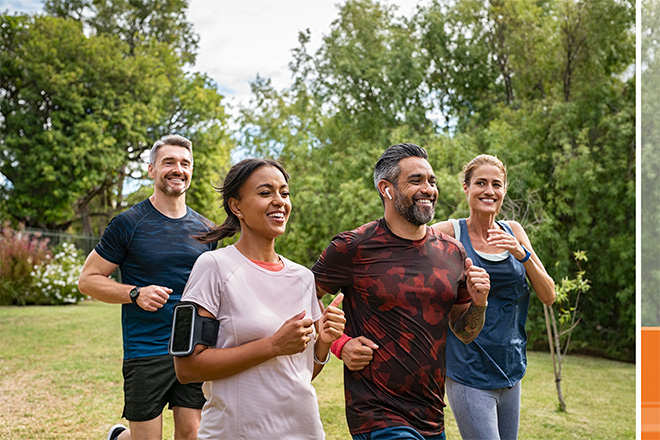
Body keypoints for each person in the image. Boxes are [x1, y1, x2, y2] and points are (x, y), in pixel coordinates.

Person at [312, 143, 491, 440]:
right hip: (376, 412)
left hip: (431, 414)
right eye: (416, 180)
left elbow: (465, 332)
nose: (428, 189)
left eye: (431, 181)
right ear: (387, 189)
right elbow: (301, 294)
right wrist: (340, 344)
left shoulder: (453, 252)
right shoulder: (353, 247)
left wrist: (480, 303)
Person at [173, 158, 346, 440]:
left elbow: (298, 374)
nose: (279, 201)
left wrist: (323, 344)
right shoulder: (213, 266)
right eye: (266, 193)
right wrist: (273, 345)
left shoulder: (303, 277)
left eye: (284, 193)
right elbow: (187, 368)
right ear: (236, 206)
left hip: (304, 431)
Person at [78, 135, 217, 440]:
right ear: (152, 170)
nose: (177, 169)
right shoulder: (128, 223)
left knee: (191, 434)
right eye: (169, 162)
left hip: (192, 346)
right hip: (146, 348)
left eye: (185, 163)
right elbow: (88, 280)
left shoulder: (206, 230)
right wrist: (135, 293)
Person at [432, 154, 556, 440]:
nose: (489, 191)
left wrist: (521, 254)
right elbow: (404, 245)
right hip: (469, 372)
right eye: (481, 183)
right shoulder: (449, 233)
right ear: (466, 188)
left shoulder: (514, 232)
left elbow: (548, 294)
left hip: (511, 370)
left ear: (504, 190)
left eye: (496, 184)